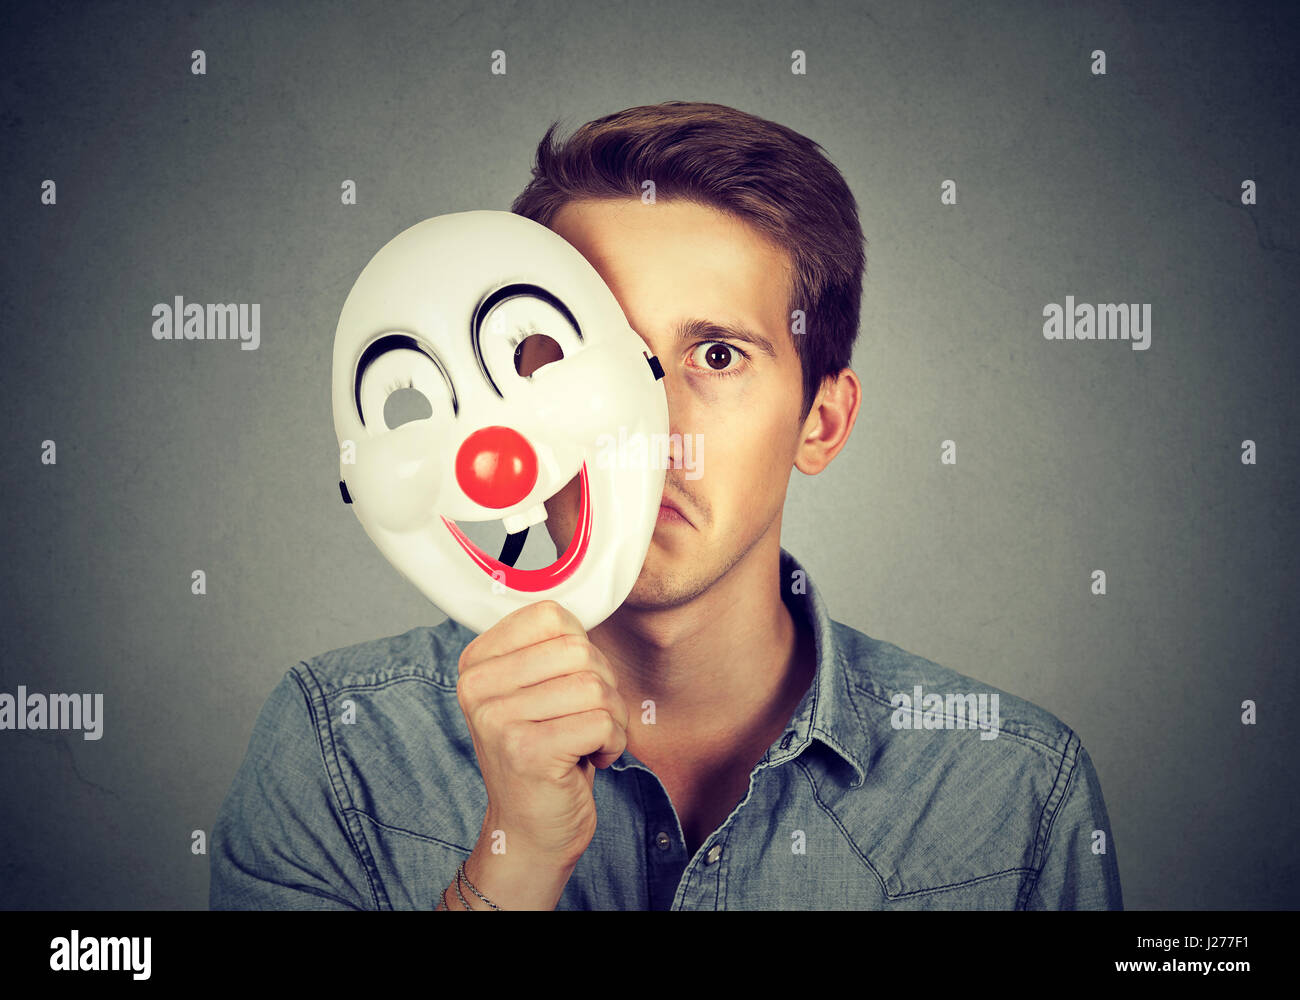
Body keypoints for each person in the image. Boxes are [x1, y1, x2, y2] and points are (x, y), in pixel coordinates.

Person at [210, 101, 1122, 910]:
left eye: (717, 355)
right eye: (577, 354)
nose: (647, 429)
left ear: (822, 421)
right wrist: (514, 863)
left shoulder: (1011, 791)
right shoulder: (338, 749)